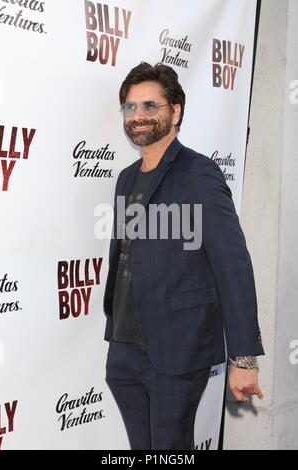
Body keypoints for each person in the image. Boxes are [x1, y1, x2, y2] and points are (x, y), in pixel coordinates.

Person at [103, 62, 264, 450]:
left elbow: (233, 265)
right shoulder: (127, 178)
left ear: (175, 112)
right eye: (130, 107)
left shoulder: (199, 174)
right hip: (124, 348)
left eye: (149, 106)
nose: (138, 116)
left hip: (176, 350)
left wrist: (244, 359)